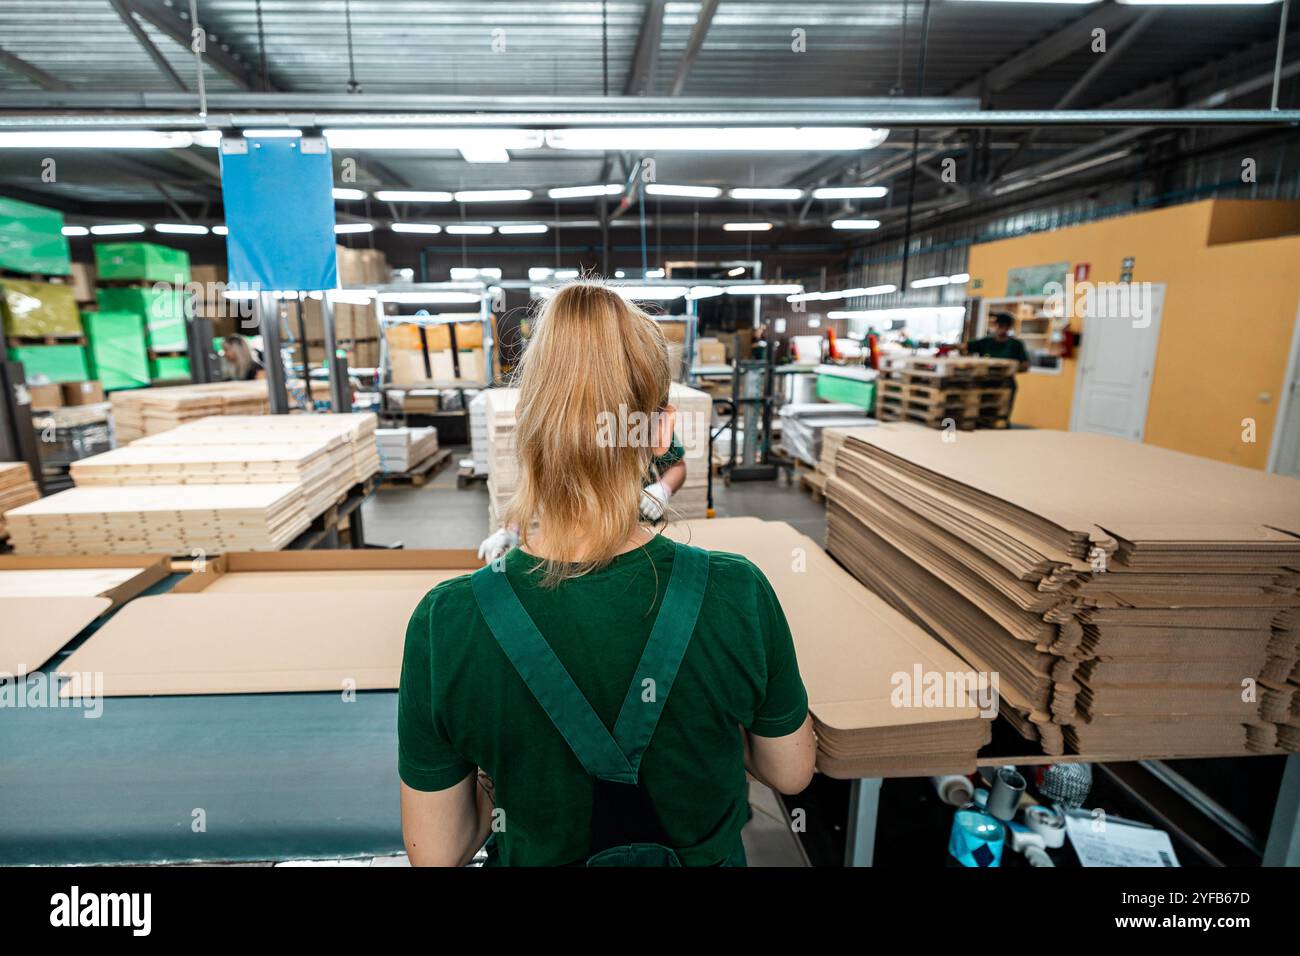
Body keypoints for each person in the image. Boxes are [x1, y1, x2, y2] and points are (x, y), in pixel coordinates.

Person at [399, 281, 815, 867]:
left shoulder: (448, 622)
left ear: (525, 425)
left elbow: (436, 853)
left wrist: (499, 773)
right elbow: (790, 774)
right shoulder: (737, 592)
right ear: (663, 431)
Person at [965, 311, 1029, 418]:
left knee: (1001, 415)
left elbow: (1025, 365)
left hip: (1005, 383)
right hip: (985, 382)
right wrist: (949, 346)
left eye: (1004, 327)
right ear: (995, 326)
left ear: (1009, 328)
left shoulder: (1015, 345)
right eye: (999, 326)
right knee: (981, 413)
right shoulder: (986, 342)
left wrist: (1009, 369)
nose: (1001, 329)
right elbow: (965, 346)